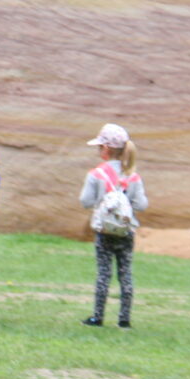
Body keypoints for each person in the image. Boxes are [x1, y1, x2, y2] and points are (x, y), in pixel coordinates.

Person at [80, 123, 147, 329]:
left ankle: (98, 316)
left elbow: (85, 201)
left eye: (100, 146)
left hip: (104, 231)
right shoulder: (132, 176)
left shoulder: (96, 174)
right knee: (125, 273)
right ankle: (124, 319)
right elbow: (142, 204)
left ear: (106, 149)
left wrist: (102, 202)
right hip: (126, 232)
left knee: (104, 273)